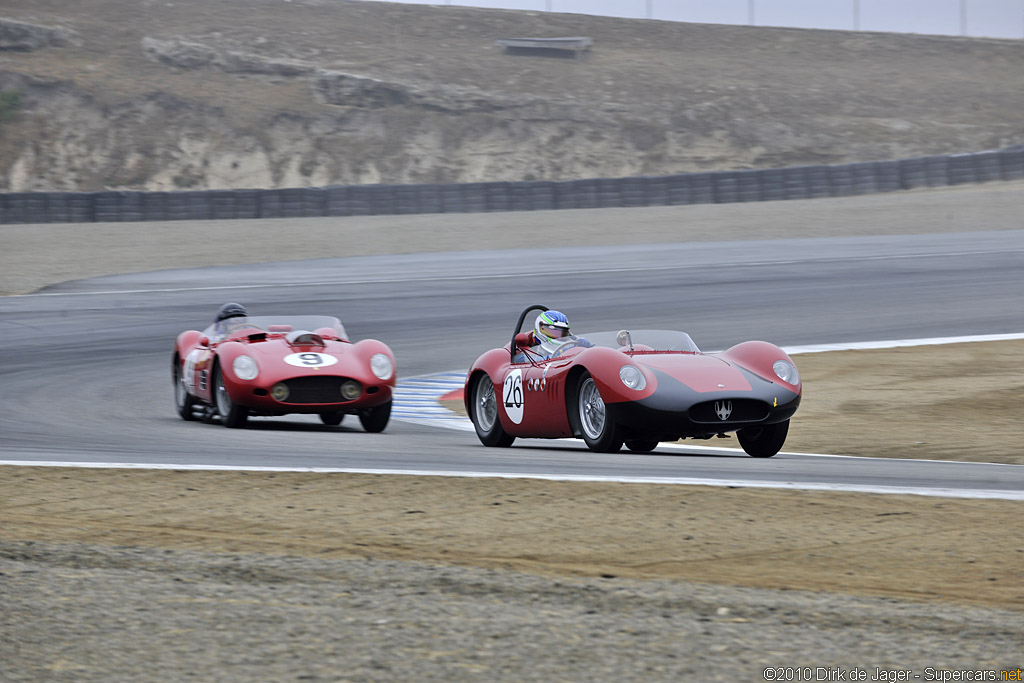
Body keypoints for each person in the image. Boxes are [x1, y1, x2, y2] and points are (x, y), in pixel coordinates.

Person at [515, 309, 592, 362]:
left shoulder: (566, 348)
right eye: (553, 332)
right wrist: (560, 355)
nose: (559, 337)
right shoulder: (524, 355)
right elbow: (525, 361)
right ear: (540, 328)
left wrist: (585, 347)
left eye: (563, 334)